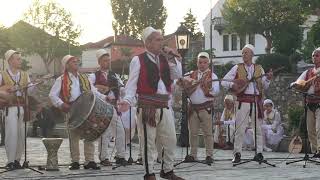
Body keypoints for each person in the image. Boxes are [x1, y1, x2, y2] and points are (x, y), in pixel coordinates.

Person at [118, 26, 184, 180]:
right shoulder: (138, 59)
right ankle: (149, 173)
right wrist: (128, 100)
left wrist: (173, 58)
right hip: (147, 106)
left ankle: (167, 170)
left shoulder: (164, 58)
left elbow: (177, 75)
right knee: (148, 142)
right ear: (148, 42)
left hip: (164, 105)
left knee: (170, 139)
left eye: (162, 40)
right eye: (158, 40)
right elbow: (132, 84)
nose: (162, 43)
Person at [49, 55, 109, 170]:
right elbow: (52, 95)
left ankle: (89, 160)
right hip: (72, 109)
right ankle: (75, 161)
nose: (77, 62)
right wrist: (61, 104)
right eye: (73, 61)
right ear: (66, 65)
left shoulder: (84, 78)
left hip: (87, 108)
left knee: (90, 133)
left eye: (77, 61)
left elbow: (94, 91)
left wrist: (105, 98)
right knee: (73, 136)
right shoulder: (61, 79)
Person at [221, 44, 273, 163]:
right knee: (240, 128)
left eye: (246, 52)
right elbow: (224, 81)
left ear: (252, 54)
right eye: (243, 52)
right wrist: (232, 85)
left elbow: (264, 85)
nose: (243, 54)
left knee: (258, 129)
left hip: (256, 101)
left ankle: (259, 153)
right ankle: (237, 153)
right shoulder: (237, 68)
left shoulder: (259, 68)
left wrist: (268, 79)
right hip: (242, 101)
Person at [88, 49, 127, 166]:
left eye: (108, 61)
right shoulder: (93, 76)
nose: (107, 63)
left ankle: (120, 156)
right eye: (105, 61)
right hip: (101, 107)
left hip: (113, 106)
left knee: (120, 130)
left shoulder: (114, 75)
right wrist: (104, 97)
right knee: (104, 132)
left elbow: (122, 88)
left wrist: (127, 90)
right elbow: (91, 89)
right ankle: (103, 157)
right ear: (99, 62)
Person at [178, 51, 219, 164]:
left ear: (208, 63)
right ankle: (193, 155)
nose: (202, 65)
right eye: (200, 62)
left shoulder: (213, 75)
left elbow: (216, 91)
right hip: (193, 108)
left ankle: (209, 155)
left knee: (208, 133)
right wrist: (188, 83)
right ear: (197, 63)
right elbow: (180, 82)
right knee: (193, 133)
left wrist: (206, 86)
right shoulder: (191, 74)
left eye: (205, 62)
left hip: (206, 108)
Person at [0, 50, 34, 170]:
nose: (20, 61)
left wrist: (33, 86)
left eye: (20, 58)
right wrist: (6, 92)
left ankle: (17, 160)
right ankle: (10, 161)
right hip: (10, 108)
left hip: (23, 107)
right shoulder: (2, 74)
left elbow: (30, 91)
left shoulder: (25, 75)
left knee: (21, 134)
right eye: (18, 59)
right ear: (10, 60)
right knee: (11, 134)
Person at [293, 47, 320, 158]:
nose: (314, 57)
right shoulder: (308, 72)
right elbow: (298, 83)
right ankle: (315, 151)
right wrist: (296, 84)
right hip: (309, 102)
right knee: (310, 129)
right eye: (313, 55)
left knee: (319, 128)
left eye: (317, 55)